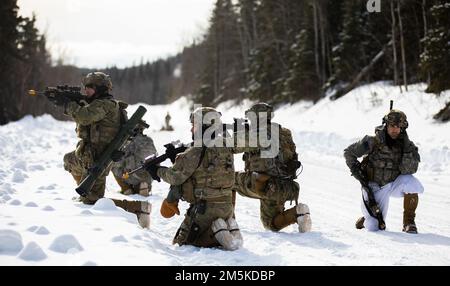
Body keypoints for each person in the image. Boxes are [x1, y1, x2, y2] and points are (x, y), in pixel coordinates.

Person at [145, 107, 243, 250]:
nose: (192, 130)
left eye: (194, 126)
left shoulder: (195, 151)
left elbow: (175, 177)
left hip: (205, 212)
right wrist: (177, 158)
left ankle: (219, 233)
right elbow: (200, 170)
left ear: (204, 127)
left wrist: (157, 170)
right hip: (228, 208)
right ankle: (228, 229)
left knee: (181, 243)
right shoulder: (225, 146)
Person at [62, 72, 151, 228]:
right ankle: (85, 188)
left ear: (101, 88)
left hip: (98, 159)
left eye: (90, 87)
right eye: (85, 87)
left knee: (93, 202)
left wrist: (69, 104)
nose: (86, 90)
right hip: (89, 155)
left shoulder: (105, 104)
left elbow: (84, 117)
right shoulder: (98, 103)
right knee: (69, 160)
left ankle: (137, 209)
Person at [233, 103, 312, 233]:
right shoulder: (285, 133)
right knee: (271, 223)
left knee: (229, 180)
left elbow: (231, 146)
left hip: (266, 185)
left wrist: (240, 134)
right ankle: (298, 213)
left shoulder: (259, 135)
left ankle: (228, 224)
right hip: (286, 187)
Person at [344, 109, 423, 233]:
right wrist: (357, 171)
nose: (395, 130)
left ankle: (409, 222)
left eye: (398, 127)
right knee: (375, 227)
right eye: (392, 126)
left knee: (412, 183)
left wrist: (406, 148)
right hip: (373, 186)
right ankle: (366, 219)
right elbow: (349, 152)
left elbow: (409, 170)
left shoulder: (407, 145)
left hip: (392, 184)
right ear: (386, 125)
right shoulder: (372, 141)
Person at [112, 123, 156, 197]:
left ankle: (126, 189)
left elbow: (120, 161)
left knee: (112, 165)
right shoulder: (149, 140)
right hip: (150, 176)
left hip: (134, 175)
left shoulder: (128, 142)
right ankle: (145, 186)